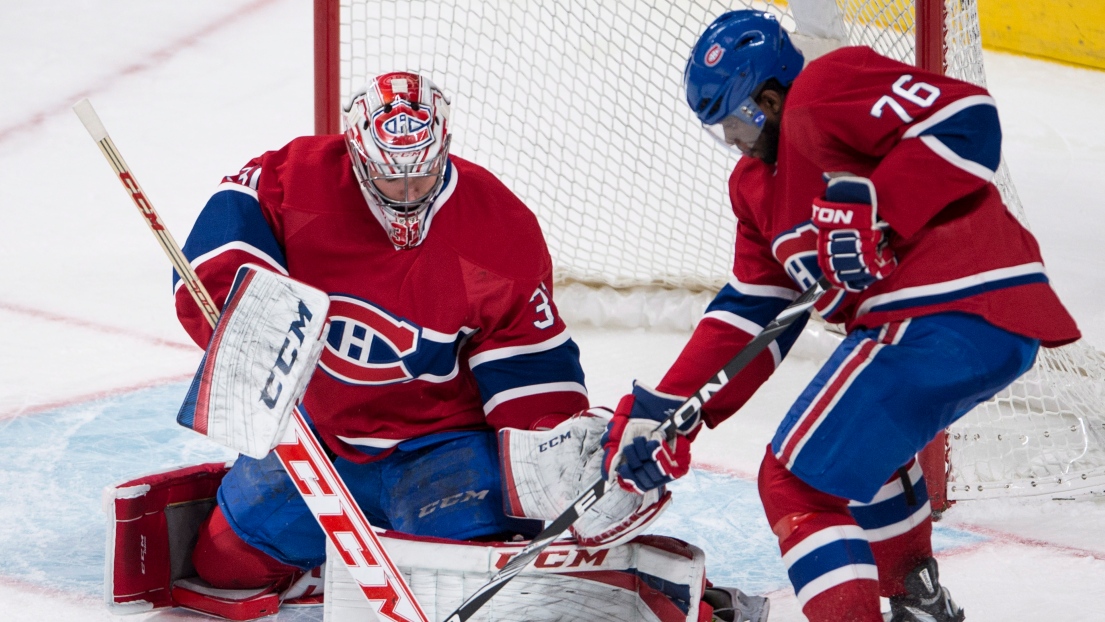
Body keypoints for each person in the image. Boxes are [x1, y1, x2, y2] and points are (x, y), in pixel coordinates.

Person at [168, 70, 762, 622]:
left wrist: (552, 461)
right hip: (322, 445)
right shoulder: (296, 180)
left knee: (490, 590)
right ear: (356, 152)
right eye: (388, 173)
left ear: (444, 149)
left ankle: (675, 595)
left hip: (440, 450)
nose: (405, 191)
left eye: (420, 173)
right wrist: (242, 323)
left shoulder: (496, 228)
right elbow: (225, 237)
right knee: (225, 565)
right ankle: (333, 563)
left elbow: (530, 368)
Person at [601, 10, 1080, 622]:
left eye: (739, 122)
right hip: (965, 329)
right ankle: (919, 601)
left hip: (947, 306)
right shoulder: (754, 190)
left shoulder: (826, 89)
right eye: (721, 130)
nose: (734, 142)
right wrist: (670, 411)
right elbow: (750, 313)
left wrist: (882, 208)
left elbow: (969, 119)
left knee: (793, 483)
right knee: (857, 453)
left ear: (771, 95)